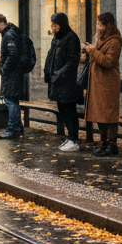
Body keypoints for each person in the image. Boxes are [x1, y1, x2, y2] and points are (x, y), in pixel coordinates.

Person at [84, 12, 122, 157]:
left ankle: (112, 144)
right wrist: (91, 50)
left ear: (108, 25)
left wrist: (93, 51)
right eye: (97, 24)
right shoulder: (100, 38)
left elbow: (108, 62)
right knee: (100, 113)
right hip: (98, 82)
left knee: (109, 115)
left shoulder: (115, 41)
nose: (97, 27)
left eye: (100, 25)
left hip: (108, 83)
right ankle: (104, 142)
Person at [44, 12, 82, 152]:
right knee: (62, 109)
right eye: (52, 25)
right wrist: (48, 72)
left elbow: (72, 61)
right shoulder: (56, 38)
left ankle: (74, 139)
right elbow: (50, 56)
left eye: (55, 26)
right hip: (56, 81)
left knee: (69, 110)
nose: (53, 29)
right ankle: (70, 137)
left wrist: (59, 74)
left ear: (62, 25)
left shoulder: (71, 38)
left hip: (66, 82)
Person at [0, 13, 25, 139]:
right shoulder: (10, 33)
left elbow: (12, 54)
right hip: (13, 74)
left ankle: (13, 129)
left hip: (12, 75)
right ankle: (18, 127)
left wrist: (4, 69)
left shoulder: (9, 35)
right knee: (13, 100)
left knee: (10, 101)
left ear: (2, 22)